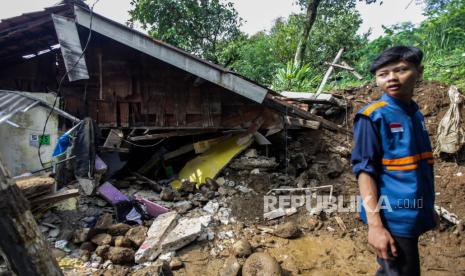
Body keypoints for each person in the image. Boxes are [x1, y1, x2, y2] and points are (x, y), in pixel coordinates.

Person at [351, 46, 437, 276]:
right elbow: (365, 171)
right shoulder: (373, 116)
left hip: (415, 212)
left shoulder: (414, 113)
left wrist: (428, 207)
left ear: (419, 72)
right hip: (393, 216)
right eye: (383, 74)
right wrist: (375, 226)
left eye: (400, 70)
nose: (392, 78)